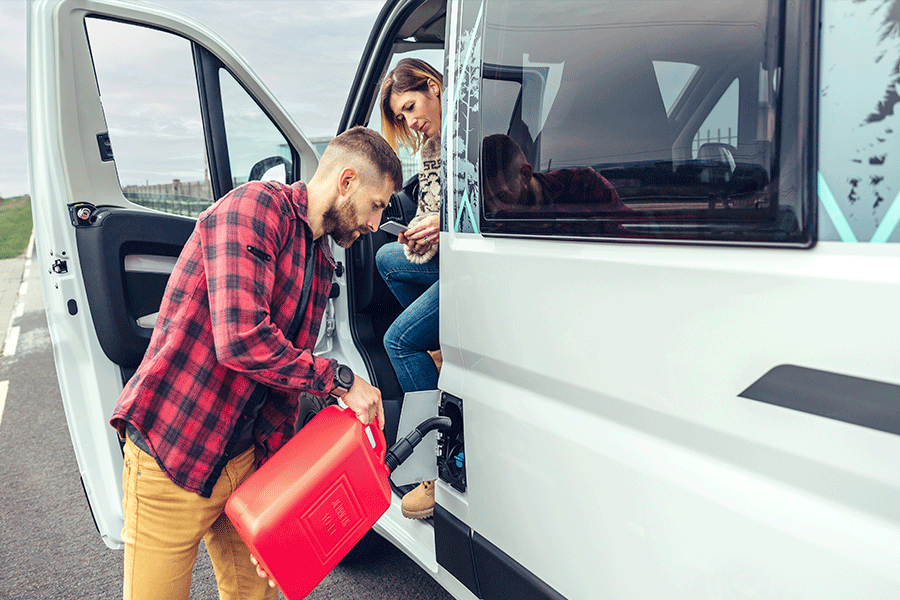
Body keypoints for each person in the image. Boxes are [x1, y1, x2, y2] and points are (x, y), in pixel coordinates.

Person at [109, 126, 403, 600]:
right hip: (174, 451)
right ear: (346, 181)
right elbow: (243, 342)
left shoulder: (322, 260)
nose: (376, 222)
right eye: (377, 205)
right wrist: (340, 379)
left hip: (245, 462)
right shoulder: (253, 209)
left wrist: (280, 483)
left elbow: (283, 380)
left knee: (260, 595)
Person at [375, 57, 443, 519]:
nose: (411, 121)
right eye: (402, 116)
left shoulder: (474, 137)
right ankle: (438, 350)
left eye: (412, 105)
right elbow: (434, 211)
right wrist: (419, 231)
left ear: (434, 86)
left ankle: (438, 469)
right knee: (386, 257)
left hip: (475, 266)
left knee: (398, 340)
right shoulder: (430, 149)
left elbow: (490, 212)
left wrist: (445, 229)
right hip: (451, 259)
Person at [481, 133, 626, 213]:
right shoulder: (489, 222)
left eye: (502, 196)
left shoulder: (584, 186)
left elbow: (628, 233)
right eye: (488, 200)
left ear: (525, 174)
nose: (494, 209)